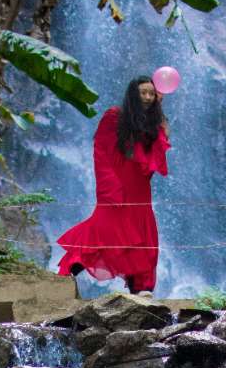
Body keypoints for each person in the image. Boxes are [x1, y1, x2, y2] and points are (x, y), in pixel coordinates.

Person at [56, 75, 170, 295]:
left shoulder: (153, 125)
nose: (147, 97)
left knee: (142, 236)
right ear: (133, 94)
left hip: (139, 189)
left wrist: (160, 126)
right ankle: (68, 271)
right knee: (104, 231)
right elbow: (101, 151)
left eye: (151, 93)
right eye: (143, 92)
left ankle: (141, 287)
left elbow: (154, 160)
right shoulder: (115, 116)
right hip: (116, 185)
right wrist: (108, 186)